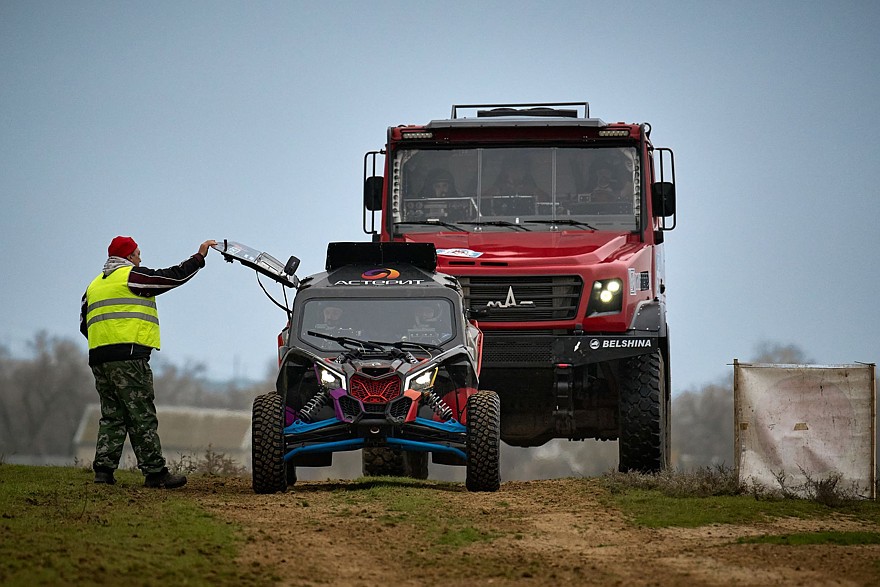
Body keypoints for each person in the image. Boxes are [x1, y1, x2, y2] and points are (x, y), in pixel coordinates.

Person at [79, 236, 216, 488]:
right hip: (129, 358)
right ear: (129, 256)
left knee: (112, 416)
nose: (141, 259)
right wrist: (199, 258)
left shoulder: (93, 286)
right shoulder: (131, 276)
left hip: (99, 359)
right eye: (138, 254)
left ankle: (103, 472)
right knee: (141, 414)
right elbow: (170, 277)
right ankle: (155, 473)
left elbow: (83, 325)